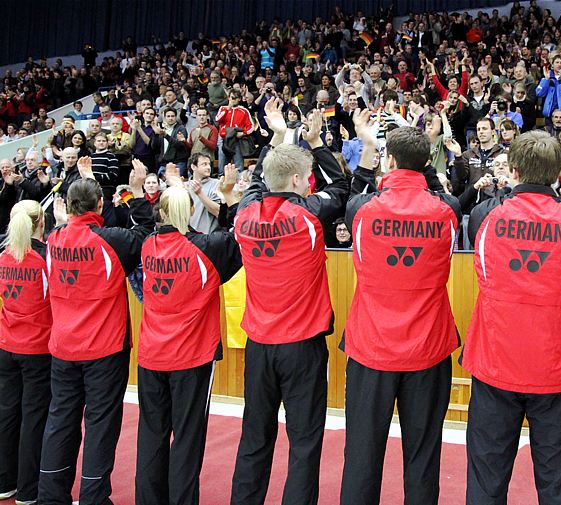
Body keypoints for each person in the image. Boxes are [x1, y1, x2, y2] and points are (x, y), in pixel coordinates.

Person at [462, 130, 561, 505]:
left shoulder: (485, 215)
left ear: (516, 169)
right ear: (558, 171)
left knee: (486, 479)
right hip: (557, 366)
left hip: (497, 361)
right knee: (557, 483)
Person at [227, 102, 348, 505]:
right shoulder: (308, 216)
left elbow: (256, 185)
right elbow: (340, 186)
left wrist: (278, 137)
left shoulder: (244, 216)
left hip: (259, 346)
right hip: (301, 346)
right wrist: (316, 142)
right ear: (298, 178)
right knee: (304, 441)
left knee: (255, 436)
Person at [340, 120, 462, 505]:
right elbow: (438, 190)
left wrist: (371, 149)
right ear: (426, 162)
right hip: (428, 349)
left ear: (388, 160)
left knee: (361, 454)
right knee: (422, 455)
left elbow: (356, 192)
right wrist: (419, 160)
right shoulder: (447, 210)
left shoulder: (361, 209)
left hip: (372, 347)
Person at [38, 159, 155, 504]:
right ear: (101, 205)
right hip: (103, 349)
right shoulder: (111, 241)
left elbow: (78, 223)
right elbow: (147, 238)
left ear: (68, 207)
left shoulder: (54, 239)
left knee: (60, 420)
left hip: (63, 347)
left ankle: (51, 495)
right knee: (101, 424)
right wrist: (136, 194)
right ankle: (93, 497)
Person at [135, 172, 242, 505]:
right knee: (187, 437)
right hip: (191, 358)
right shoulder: (206, 249)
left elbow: (139, 220)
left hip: (152, 355)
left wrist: (142, 189)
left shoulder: (147, 246)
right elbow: (238, 236)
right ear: (191, 210)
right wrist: (229, 196)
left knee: (151, 435)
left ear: (162, 213)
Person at [0, 201, 52, 505]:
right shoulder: (43, 259)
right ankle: (28, 488)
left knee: (7, 414)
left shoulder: (4, 258)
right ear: (40, 223)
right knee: (33, 418)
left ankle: (5, 482)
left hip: (7, 345)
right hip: (36, 348)